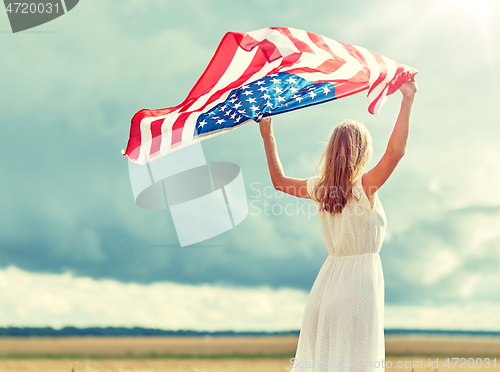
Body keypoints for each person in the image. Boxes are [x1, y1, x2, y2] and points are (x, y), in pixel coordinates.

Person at [258, 76, 418, 371]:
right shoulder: (364, 186)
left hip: (325, 289)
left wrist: (267, 133)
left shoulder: (321, 188)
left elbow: (278, 182)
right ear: (363, 151)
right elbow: (396, 152)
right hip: (358, 290)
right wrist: (407, 100)